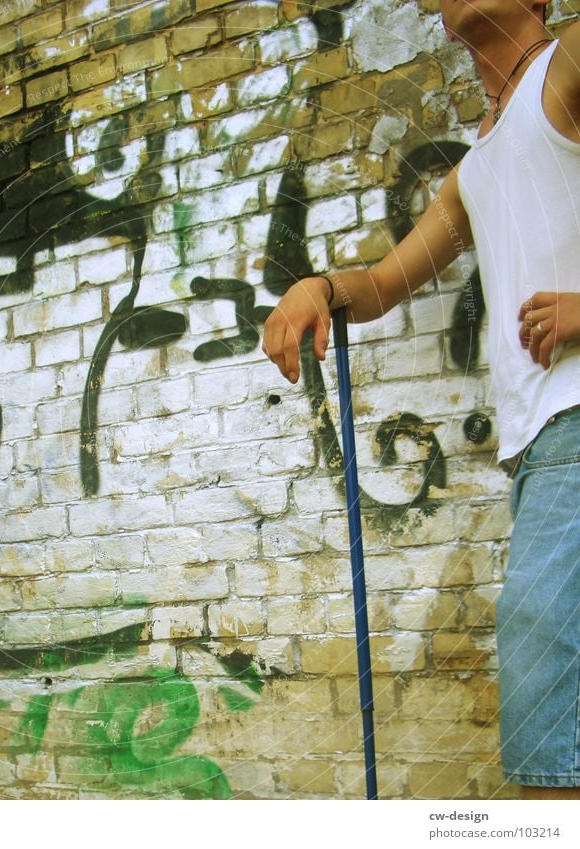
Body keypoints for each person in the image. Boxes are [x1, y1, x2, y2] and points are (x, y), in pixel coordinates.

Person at [263, 0, 580, 799]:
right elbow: (381, 285)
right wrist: (319, 287)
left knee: (550, 735)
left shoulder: (567, 67)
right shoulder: (475, 168)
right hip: (545, 457)